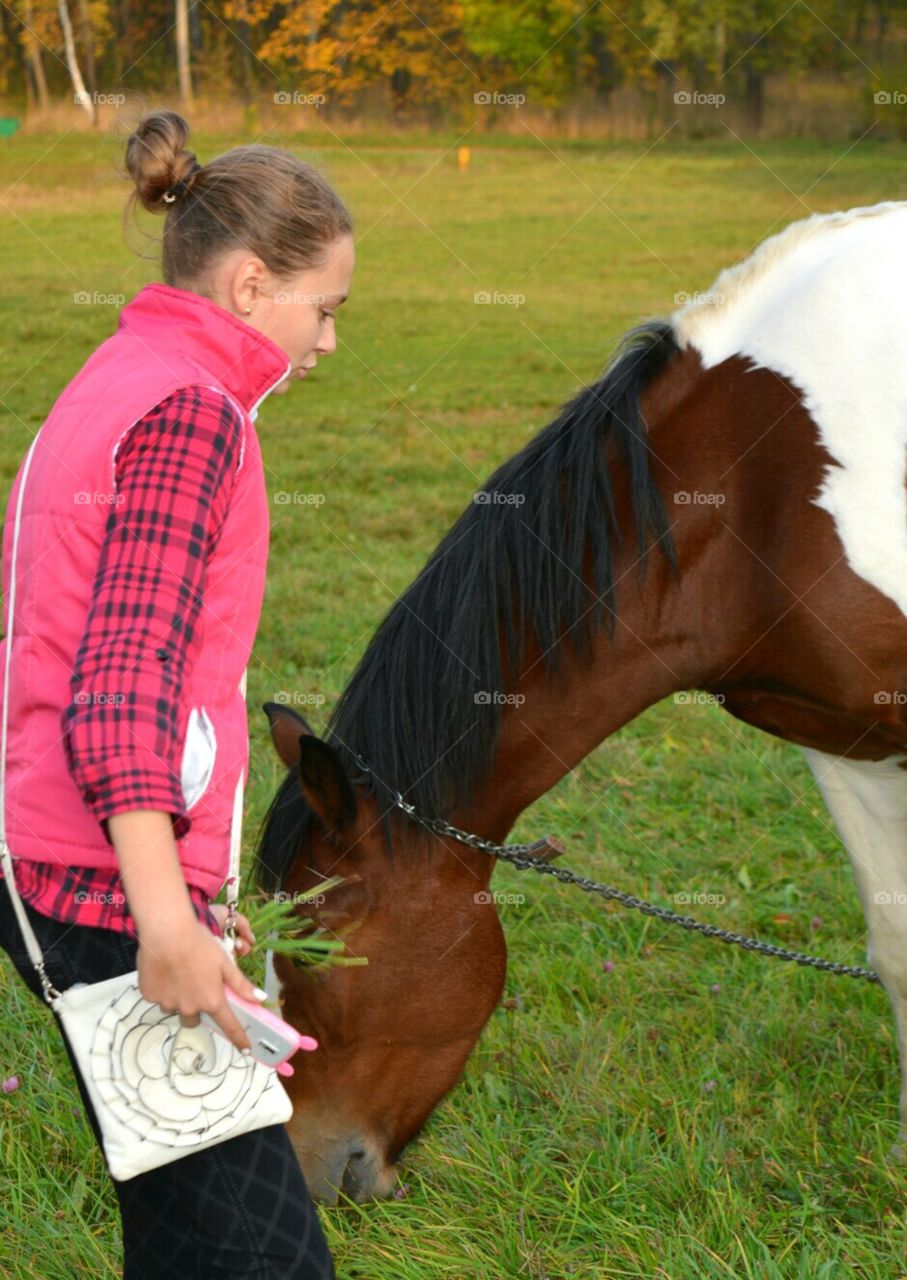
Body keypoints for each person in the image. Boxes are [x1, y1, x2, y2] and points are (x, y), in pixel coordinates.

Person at [0, 107, 354, 1278]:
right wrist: (161, 915)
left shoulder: (123, 375)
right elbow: (118, 687)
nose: (329, 340)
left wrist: (193, 893)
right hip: (96, 885)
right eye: (326, 307)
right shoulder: (191, 410)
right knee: (265, 1258)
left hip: (77, 859)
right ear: (253, 285)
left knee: (182, 1228)